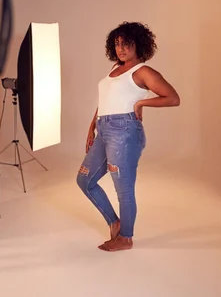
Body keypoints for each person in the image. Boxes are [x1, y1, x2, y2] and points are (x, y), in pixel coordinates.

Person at [76, 22, 180, 252]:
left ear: (139, 44)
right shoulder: (114, 69)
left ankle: (126, 238)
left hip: (124, 133)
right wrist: (92, 126)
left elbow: (173, 98)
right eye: (117, 44)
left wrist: (141, 102)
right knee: (84, 180)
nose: (121, 48)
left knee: (123, 189)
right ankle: (115, 223)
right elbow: (105, 99)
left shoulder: (142, 71)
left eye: (126, 44)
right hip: (103, 129)